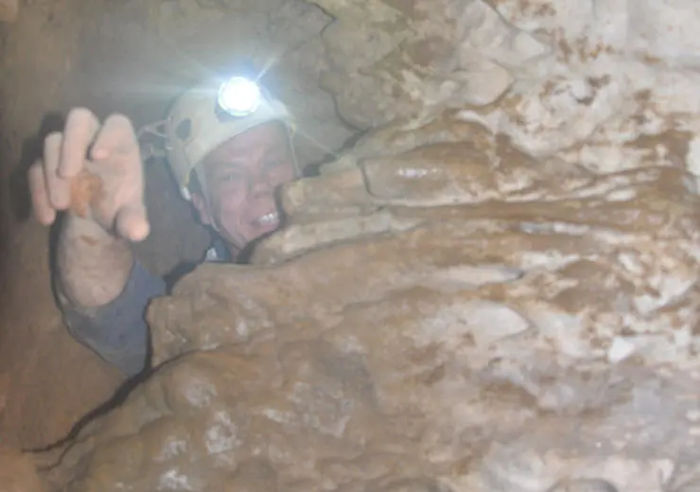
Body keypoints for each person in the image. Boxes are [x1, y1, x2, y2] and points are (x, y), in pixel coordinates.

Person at [27, 77, 299, 376]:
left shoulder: (355, 223)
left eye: (273, 162)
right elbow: (116, 317)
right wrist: (90, 220)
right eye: (230, 177)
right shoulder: (203, 308)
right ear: (202, 207)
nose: (261, 186)